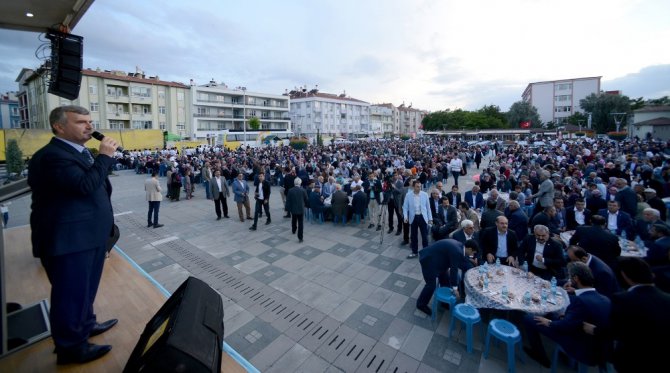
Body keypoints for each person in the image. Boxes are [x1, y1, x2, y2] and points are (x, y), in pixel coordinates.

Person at [28, 105, 119, 364]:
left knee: (85, 289)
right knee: (70, 294)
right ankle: (70, 348)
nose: (89, 126)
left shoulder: (76, 152)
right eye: (81, 122)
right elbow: (84, 186)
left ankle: (86, 324)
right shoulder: (53, 156)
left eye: (90, 121)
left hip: (87, 236)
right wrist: (104, 157)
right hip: (69, 239)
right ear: (59, 126)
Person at [583, 257, 670, 373]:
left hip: (632, 359)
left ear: (625, 276)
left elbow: (614, 330)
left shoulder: (623, 299)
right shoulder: (667, 298)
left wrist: (593, 330)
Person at [522, 262, 612, 368]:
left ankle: (540, 356)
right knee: (552, 313)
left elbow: (565, 326)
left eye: (570, 278)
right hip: (599, 345)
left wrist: (549, 322)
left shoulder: (581, 301)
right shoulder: (605, 299)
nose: (569, 280)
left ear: (576, 279)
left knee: (529, 319)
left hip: (581, 345)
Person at [415, 238, 479, 316]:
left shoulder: (461, 247)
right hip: (429, 260)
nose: (472, 255)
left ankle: (444, 302)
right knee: (431, 285)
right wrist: (455, 289)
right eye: (473, 252)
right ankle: (421, 304)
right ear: (469, 249)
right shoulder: (457, 251)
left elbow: (464, 261)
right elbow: (454, 270)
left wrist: (475, 270)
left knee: (445, 279)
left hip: (439, 261)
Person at [403, 180, 433, 259]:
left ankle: (426, 252)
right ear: (413, 187)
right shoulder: (408, 195)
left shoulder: (425, 194)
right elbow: (405, 207)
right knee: (413, 236)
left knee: (425, 236)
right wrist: (405, 217)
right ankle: (414, 252)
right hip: (413, 217)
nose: (419, 188)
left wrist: (430, 219)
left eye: (420, 186)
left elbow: (428, 208)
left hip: (423, 217)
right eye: (417, 186)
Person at [286, 177, 309, 242]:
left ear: (294, 183)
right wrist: (307, 206)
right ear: (300, 183)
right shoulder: (303, 190)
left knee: (294, 220)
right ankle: (300, 237)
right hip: (301, 209)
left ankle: (293, 230)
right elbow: (306, 200)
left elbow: (288, 200)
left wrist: (287, 209)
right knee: (301, 223)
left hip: (293, 209)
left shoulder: (290, 190)